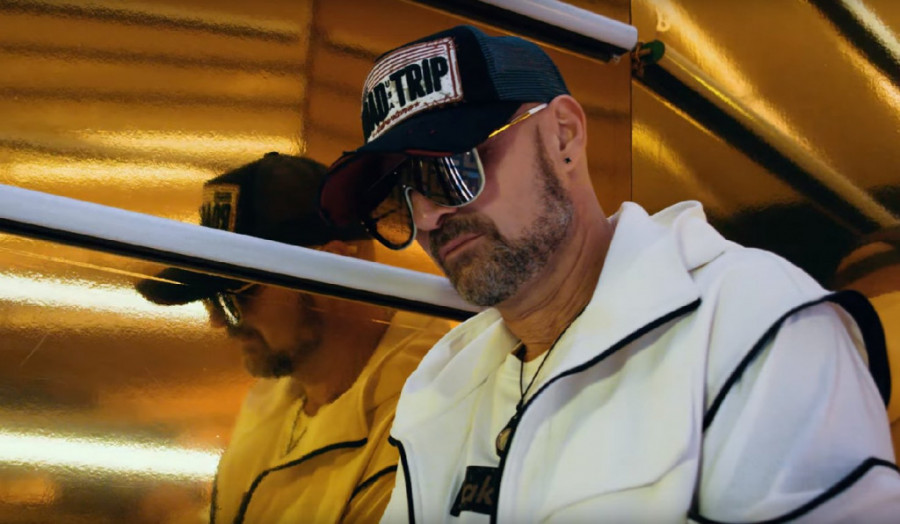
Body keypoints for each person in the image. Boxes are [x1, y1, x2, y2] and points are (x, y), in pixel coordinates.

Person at [318, 25, 900, 522]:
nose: (427, 217)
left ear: (564, 136)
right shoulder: (443, 381)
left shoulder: (750, 324)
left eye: (451, 167)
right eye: (398, 195)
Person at [137, 152, 449, 523]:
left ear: (333, 273)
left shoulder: (424, 430)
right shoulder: (275, 396)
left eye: (239, 292)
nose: (218, 321)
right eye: (212, 298)